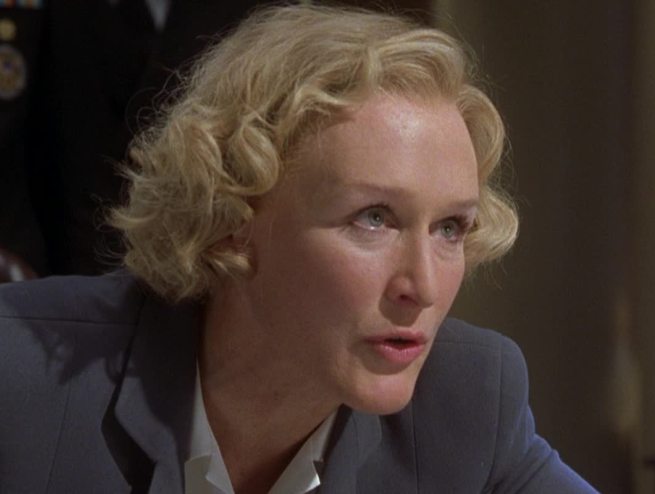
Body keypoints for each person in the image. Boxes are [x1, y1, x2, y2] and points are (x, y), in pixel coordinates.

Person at [0, 5, 597, 493]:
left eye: (450, 228)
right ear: (232, 217)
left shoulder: (467, 400)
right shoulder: (20, 376)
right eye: (374, 219)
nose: (423, 286)